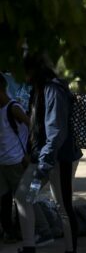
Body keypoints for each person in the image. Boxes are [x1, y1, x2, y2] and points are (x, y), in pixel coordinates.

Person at [1, 54, 82, 253]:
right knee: (23, 196)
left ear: (32, 71)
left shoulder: (53, 89)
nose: (23, 77)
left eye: (25, 73)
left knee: (63, 207)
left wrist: (43, 164)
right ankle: (29, 252)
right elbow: (37, 128)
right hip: (43, 158)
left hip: (59, 159)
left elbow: (56, 132)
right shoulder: (39, 89)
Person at [0, 73, 29, 243]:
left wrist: (27, 153)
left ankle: (21, 231)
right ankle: (9, 231)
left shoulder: (13, 108)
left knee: (21, 199)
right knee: (4, 200)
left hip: (16, 162)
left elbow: (31, 127)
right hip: (2, 163)